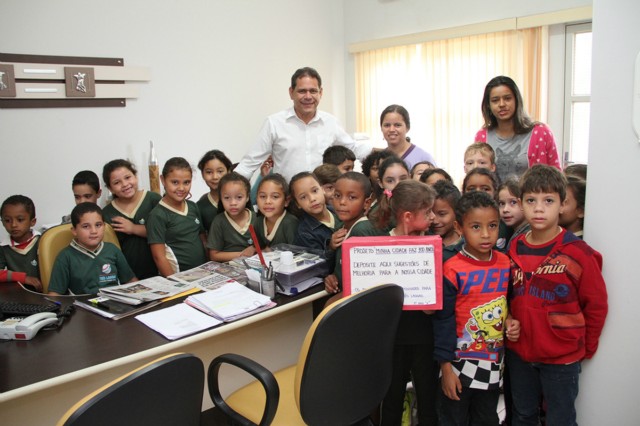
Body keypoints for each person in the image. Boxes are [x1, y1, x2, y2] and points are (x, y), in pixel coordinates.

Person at [507, 164, 608, 426]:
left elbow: (596, 305)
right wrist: (508, 320)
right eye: (531, 200)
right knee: (523, 415)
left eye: (548, 200)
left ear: (563, 204)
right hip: (520, 355)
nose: (539, 208)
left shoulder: (578, 252)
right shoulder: (515, 246)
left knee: (560, 418)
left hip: (561, 358)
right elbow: (506, 295)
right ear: (521, 203)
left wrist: (586, 348)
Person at [356, 179, 439, 426]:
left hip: (425, 337)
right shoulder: (381, 249)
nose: (433, 217)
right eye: (428, 212)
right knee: (391, 399)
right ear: (408, 216)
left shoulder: (432, 245)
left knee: (428, 399)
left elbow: (432, 306)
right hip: (392, 339)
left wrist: (430, 301)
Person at [434, 191, 520, 426]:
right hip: (458, 365)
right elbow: (443, 320)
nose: (485, 234)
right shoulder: (451, 268)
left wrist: (511, 320)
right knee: (454, 418)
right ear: (459, 228)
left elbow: (508, 304)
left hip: (493, 363)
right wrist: (446, 367)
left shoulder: (506, 263)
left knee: (486, 418)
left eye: (492, 226)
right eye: (475, 227)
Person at [235, 67, 372, 182]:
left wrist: (388, 152)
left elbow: (354, 148)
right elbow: (249, 163)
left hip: (322, 200)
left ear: (321, 93)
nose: (308, 96)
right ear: (291, 93)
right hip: (288, 202)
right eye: (302, 91)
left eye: (313, 91)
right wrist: (229, 189)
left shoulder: (331, 123)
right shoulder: (274, 123)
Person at [474, 75, 560, 183]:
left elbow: (557, 177)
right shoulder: (482, 136)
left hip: (532, 198)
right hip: (494, 199)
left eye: (507, 98)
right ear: (488, 105)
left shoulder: (541, 132)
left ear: (517, 100)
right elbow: (477, 175)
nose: (502, 104)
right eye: (495, 100)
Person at [48, 203, 137, 295]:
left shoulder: (112, 250)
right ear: (74, 231)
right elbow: (55, 294)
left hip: (115, 303)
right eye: (86, 226)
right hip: (81, 306)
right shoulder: (65, 257)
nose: (94, 231)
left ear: (104, 226)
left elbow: (131, 281)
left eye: (98, 225)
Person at [147, 157, 207, 276]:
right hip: (179, 277)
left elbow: (203, 239)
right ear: (163, 180)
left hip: (201, 273)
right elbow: (159, 256)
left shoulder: (193, 206)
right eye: (175, 182)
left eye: (186, 182)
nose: (181, 188)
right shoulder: (157, 215)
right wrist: (174, 283)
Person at [102, 159, 161, 279]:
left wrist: (134, 228)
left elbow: (167, 232)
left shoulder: (153, 200)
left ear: (135, 176)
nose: (125, 184)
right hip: (128, 277)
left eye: (128, 177)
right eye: (117, 182)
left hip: (160, 271)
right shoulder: (107, 213)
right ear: (110, 188)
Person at [323, 172, 373, 306]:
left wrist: (332, 303)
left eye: (351, 197)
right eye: (337, 196)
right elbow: (341, 266)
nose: (342, 202)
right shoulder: (341, 226)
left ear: (366, 203)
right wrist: (332, 276)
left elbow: (365, 282)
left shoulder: (361, 230)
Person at [291, 172, 342, 263]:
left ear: (322, 190)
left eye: (315, 191)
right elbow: (316, 266)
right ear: (297, 204)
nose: (312, 199)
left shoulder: (339, 212)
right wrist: (330, 248)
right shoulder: (304, 233)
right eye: (303, 197)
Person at [207, 172, 257, 262]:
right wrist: (243, 254)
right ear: (220, 198)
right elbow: (214, 255)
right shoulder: (219, 221)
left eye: (239, 197)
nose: (233, 203)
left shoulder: (257, 219)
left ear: (247, 197)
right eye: (226, 198)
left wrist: (254, 249)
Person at [0, 195, 42, 291]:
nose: (13, 225)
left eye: (20, 220)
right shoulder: (3, 247)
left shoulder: (43, 242)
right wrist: (23, 278)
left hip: (44, 294)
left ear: (33, 221)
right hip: (18, 296)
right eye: (7, 220)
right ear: (2, 222)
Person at [462, 168, 508, 252]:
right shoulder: (461, 223)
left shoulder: (506, 224)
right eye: (471, 189)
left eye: (485, 189)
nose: (478, 192)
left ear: (495, 192)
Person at [380, 104, 437, 170]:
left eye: (397, 125)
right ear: (381, 128)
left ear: (407, 127)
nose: (391, 129)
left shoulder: (424, 158)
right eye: (387, 125)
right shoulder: (379, 160)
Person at [254, 173, 298, 248]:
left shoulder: (290, 223)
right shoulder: (258, 222)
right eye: (263, 196)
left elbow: (297, 254)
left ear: (286, 201)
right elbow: (259, 248)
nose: (267, 201)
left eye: (275, 196)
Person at [196, 150, 233, 233]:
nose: (215, 177)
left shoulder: (239, 199)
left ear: (228, 171)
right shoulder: (200, 206)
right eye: (209, 172)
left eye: (220, 171)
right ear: (202, 174)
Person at [497, 178, 529, 251]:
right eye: (501, 203)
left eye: (513, 202)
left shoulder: (528, 236)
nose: (505, 209)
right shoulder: (506, 231)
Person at [430, 180, 462, 249]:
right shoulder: (424, 240)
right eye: (429, 212)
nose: (435, 221)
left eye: (442, 214)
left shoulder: (466, 244)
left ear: (457, 212)